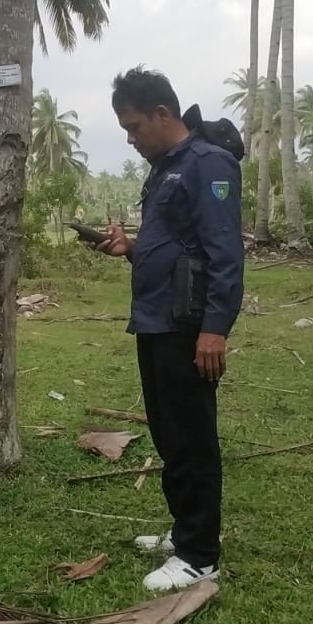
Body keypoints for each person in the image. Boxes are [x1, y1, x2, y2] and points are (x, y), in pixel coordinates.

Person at [92, 66, 245, 592]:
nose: (131, 140)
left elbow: (225, 253)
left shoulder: (207, 163)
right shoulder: (164, 169)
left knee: (191, 436)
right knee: (169, 433)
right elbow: (178, 245)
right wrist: (130, 248)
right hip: (156, 318)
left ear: (163, 114)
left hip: (188, 324)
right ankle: (185, 531)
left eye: (134, 127)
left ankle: (199, 556)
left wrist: (214, 329)